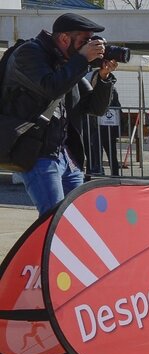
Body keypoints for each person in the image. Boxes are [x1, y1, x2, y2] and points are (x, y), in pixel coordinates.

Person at [0, 13, 118, 215]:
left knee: (77, 219)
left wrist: (104, 77)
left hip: (67, 155)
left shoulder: (68, 62)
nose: (88, 46)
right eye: (84, 41)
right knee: (53, 219)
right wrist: (82, 59)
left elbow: (95, 108)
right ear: (64, 38)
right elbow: (51, 88)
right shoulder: (29, 53)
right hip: (38, 153)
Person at [84, 84, 122, 177]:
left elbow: (115, 106)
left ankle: (110, 173)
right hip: (98, 126)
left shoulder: (110, 89)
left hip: (105, 126)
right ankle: (99, 170)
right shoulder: (92, 88)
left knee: (108, 152)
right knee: (96, 151)